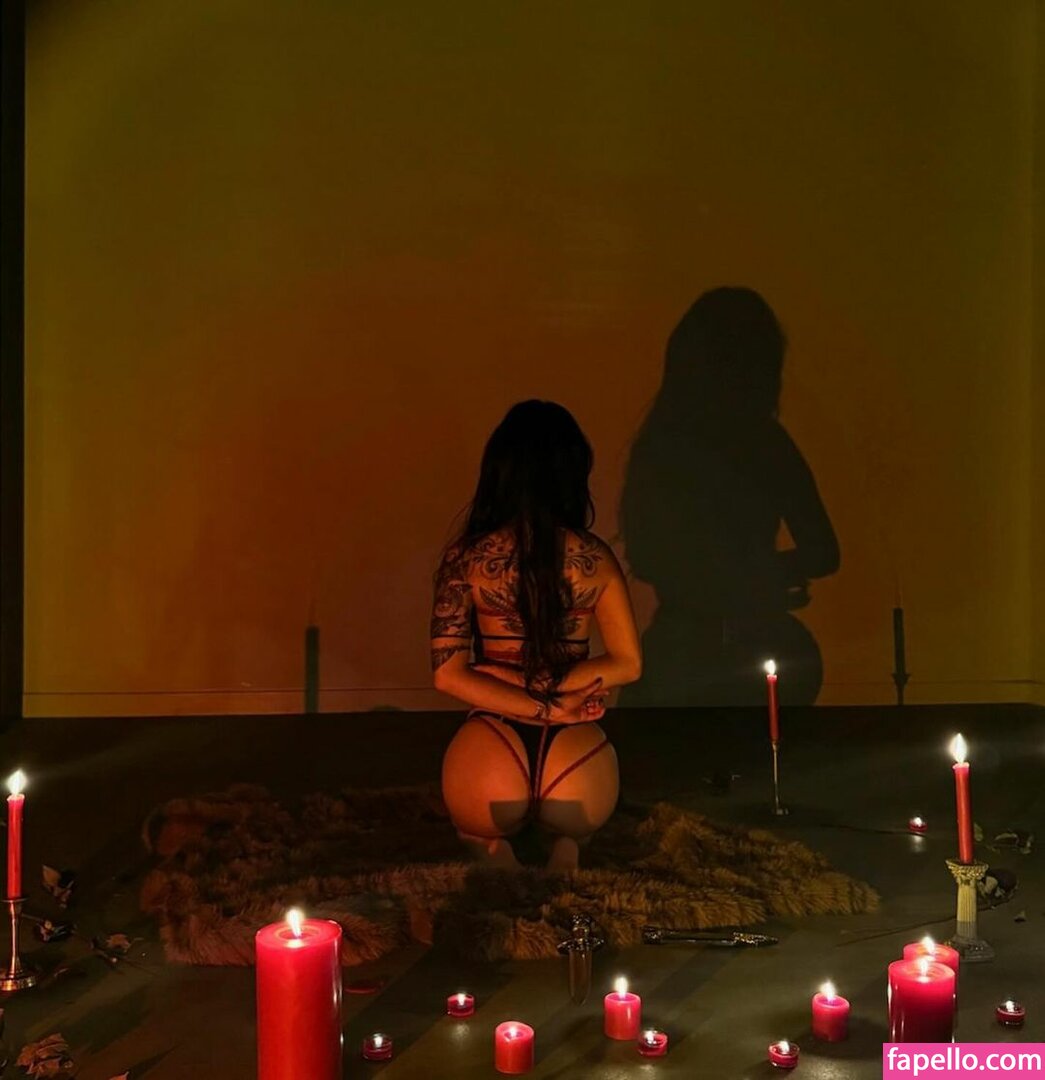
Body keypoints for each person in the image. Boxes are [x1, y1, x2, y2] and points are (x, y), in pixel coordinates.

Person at [432, 400, 642, 871]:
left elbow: (448, 675)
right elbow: (628, 664)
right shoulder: (594, 558)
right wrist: (556, 703)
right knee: (577, 826)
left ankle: (491, 847)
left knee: (475, 826)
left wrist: (523, 692)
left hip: (493, 743)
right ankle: (568, 844)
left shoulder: (466, 558)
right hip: (575, 759)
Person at [620, 287, 839, 706]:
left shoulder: (663, 444)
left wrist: (719, 577)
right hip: (755, 645)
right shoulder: (764, 442)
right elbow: (823, 552)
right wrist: (762, 574)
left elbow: (645, 557)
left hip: (681, 650)